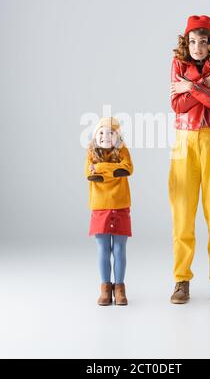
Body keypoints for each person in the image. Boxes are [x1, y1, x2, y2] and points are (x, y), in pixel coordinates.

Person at [169, 15, 210, 304]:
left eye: (203, 41)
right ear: (186, 43)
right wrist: (206, 82)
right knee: (182, 213)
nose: (197, 47)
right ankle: (181, 280)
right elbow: (176, 105)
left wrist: (191, 86)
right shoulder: (178, 64)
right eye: (192, 41)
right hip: (184, 143)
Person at [85, 117, 134, 306]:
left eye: (111, 133)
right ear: (95, 135)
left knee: (120, 249)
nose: (106, 136)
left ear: (117, 137)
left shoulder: (123, 151)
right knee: (103, 249)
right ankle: (105, 288)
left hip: (121, 205)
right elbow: (90, 175)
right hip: (99, 206)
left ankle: (120, 288)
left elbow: (127, 169)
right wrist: (113, 170)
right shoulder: (90, 152)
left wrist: (101, 168)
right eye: (102, 133)